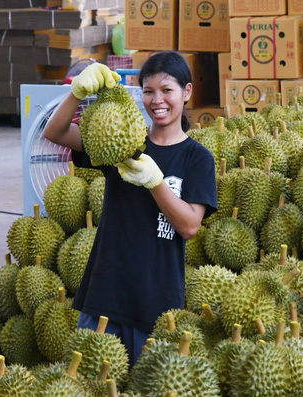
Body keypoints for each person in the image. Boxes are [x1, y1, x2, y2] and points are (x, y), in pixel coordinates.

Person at [43, 52, 218, 365]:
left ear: (187, 92)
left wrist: (155, 182)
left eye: (167, 90)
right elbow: (54, 132)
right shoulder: (122, 141)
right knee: (91, 382)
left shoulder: (198, 158)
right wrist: (77, 92)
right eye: (148, 91)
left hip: (156, 300)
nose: (157, 100)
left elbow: (190, 226)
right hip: (105, 290)